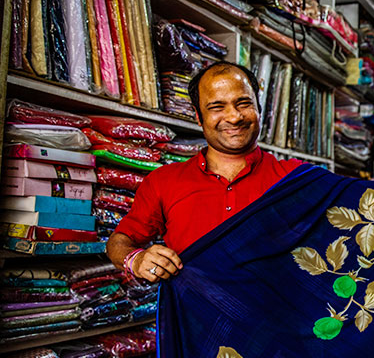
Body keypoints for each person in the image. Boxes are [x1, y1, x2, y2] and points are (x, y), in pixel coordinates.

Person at [106, 61, 302, 282]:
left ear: (259, 108)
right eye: (217, 107)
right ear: (198, 116)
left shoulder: (296, 178)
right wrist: (136, 259)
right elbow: (119, 242)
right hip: (195, 304)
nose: (234, 117)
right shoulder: (163, 181)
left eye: (244, 103)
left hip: (275, 304)